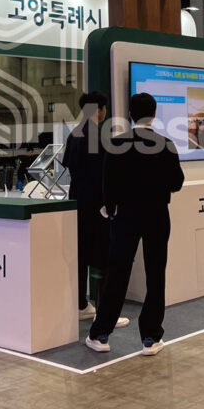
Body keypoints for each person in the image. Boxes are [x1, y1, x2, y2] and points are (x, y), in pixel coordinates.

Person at [86, 92, 185, 356]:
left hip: (125, 217)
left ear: (130, 114)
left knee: (117, 273)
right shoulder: (166, 144)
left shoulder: (116, 143)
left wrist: (111, 210)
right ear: (154, 114)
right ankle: (150, 338)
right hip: (157, 215)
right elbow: (177, 182)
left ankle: (101, 334)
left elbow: (108, 185)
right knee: (156, 274)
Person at [63, 91, 124, 325]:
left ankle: (81, 305)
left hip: (77, 203)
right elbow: (107, 175)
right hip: (97, 207)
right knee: (103, 258)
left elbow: (69, 166)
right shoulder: (99, 136)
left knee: (81, 255)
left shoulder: (74, 135)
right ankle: (105, 315)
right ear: (100, 110)